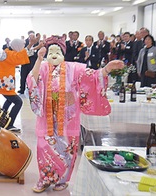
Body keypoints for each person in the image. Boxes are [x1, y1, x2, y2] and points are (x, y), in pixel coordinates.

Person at [26, 35, 124, 193]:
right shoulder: (43, 67)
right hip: (46, 117)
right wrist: (38, 59)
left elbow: (92, 76)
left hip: (68, 118)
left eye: (57, 50)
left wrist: (107, 69)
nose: (54, 54)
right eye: (51, 51)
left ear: (63, 52)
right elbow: (32, 80)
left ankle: (62, 179)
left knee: (68, 151)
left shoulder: (75, 68)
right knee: (44, 147)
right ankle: (45, 178)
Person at [0, 38, 35, 132]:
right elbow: (20, 56)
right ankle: (9, 124)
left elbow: (21, 55)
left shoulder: (7, 52)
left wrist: (35, 46)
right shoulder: (9, 54)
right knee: (18, 102)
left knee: (9, 100)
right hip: (3, 83)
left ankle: (2, 120)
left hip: (2, 82)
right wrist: (30, 45)